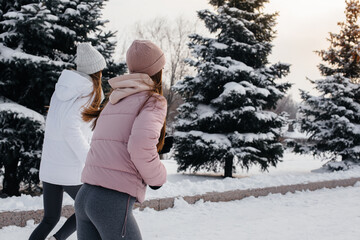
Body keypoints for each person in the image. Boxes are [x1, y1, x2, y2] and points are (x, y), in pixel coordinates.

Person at [75, 40, 167, 240]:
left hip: (85, 196)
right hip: (110, 202)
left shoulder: (116, 98)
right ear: (158, 70)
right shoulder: (152, 100)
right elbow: (140, 145)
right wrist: (157, 178)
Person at [29, 43, 106, 240]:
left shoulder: (62, 89)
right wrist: (90, 158)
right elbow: (70, 128)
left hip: (51, 165)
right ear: (96, 70)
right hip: (71, 168)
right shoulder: (89, 91)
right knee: (89, 210)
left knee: (50, 218)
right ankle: (58, 239)